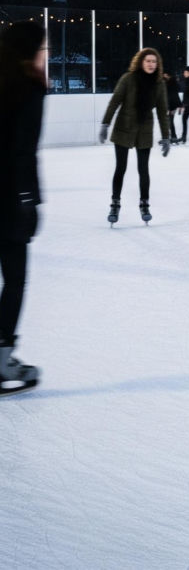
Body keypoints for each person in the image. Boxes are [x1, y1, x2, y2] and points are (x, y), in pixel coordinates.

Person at [0, 21, 46, 395]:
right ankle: (2, 358)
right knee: (14, 277)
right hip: (9, 198)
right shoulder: (28, 87)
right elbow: (23, 152)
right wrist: (31, 201)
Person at [99, 48, 171, 225]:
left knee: (143, 169)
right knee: (121, 168)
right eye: (148, 61)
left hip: (145, 129)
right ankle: (115, 204)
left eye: (154, 61)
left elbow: (163, 111)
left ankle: (144, 204)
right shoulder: (128, 79)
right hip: (124, 127)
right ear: (140, 62)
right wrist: (105, 123)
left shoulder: (159, 83)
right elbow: (115, 101)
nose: (151, 64)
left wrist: (166, 136)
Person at [163, 70, 182, 144]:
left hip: (171, 104)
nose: (163, 76)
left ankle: (172, 137)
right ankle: (172, 136)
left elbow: (171, 96)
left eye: (165, 74)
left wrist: (168, 107)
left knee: (169, 121)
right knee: (169, 121)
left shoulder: (170, 83)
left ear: (168, 75)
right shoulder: (171, 82)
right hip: (173, 104)